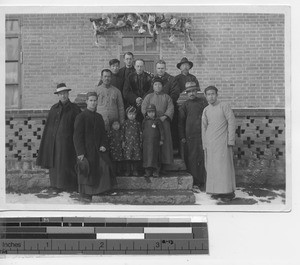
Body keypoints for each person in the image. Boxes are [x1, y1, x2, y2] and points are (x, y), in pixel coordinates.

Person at [36, 83, 81, 194]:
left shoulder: (75, 109)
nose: (63, 96)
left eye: (65, 93)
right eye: (61, 94)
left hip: (69, 143)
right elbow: (49, 128)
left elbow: (79, 127)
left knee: (68, 163)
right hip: (54, 144)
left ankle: (69, 185)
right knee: (56, 164)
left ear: (68, 94)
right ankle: (55, 185)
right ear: (58, 95)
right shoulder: (54, 109)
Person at [73, 92, 116, 202]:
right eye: (91, 100)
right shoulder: (81, 117)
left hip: (98, 149)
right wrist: (80, 152)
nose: (93, 103)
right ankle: (87, 192)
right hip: (86, 150)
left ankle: (101, 189)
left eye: (95, 100)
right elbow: (77, 136)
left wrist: (103, 145)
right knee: (87, 170)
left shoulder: (99, 117)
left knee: (104, 166)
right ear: (87, 102)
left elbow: (103, 134)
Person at [201, 86, 236, 201]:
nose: (211, 96)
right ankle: (215, 190)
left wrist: (230, 140)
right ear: (205, 96)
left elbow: (231, 122)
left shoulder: (224, 106)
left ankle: (227, 192)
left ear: (217, 95)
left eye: (213, 94)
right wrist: (204, 143)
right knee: (212, 168)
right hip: (210, 143)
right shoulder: (206, 110)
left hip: (222, 142)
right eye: (208, 94)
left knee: (223, 167)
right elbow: (204, 127)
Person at [178, 82, 208, 193]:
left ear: (196, 92)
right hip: (190, 136)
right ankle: (194, 182)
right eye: (189, 92)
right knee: (192, 159)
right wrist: (182, 136)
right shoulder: (184, 105)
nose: (191, 93)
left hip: (202, 135)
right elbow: (180, 123)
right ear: (186, 93)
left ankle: (203, 181)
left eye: (193, 91)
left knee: (202, 158)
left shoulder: (203, 103)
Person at [141, 77, 174, 174]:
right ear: (153, 86)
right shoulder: (148, 97)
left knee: (164, 143)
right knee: (151, 145)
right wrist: (149, 117)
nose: (157, 86)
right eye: (155, 84)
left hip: (163, 122)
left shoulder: (167, 97)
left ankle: (163, 165)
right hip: (151, 123)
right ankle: (151, 166)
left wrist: (165, 116)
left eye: (159, 84)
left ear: (162, 86)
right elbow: (144, 107)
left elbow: (170, 108)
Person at [152, 60, 180, 152]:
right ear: (156, 69)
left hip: (168, 109)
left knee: (169, 131)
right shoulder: (152, 79)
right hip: (155, 110)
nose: (160, 70)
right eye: (159, 68)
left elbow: (175, 94)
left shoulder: (172, 79)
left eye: (162, 68)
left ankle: (169, 151)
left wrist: (166, 104)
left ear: (165, 68)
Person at [142, 104, 164, 179]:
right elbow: (142, 129)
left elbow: (161, 131)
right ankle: (148, 171)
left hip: (155, 142)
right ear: (147, 113)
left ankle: (156, 171)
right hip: (147, 142)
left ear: (155, 112)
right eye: (149, 112)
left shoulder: (157, 120)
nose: (151, 113)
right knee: (147, 156)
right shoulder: (145, 120)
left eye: (152, 112)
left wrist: (161, 139)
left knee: (155, 156)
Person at [122, 106, 142, 176]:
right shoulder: (125, 123)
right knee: (128, 158)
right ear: (127, 115)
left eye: (133, 114)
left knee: (135, 158)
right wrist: (123, 141)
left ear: (136, 115)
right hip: (128, 144)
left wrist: (140, 142)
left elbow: (140, 133)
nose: (132, 115)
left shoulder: (137, 123)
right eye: (130, 114)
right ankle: (128, 171)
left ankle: (135, 170)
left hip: (136, 143)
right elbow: (123, 133)